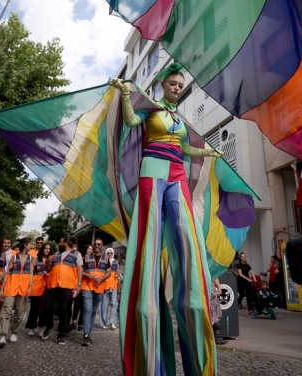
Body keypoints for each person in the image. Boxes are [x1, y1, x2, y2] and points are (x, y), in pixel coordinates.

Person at [110, 63, 224, 376]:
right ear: (163, 84)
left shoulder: (180, 119)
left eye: (180, 85)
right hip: (152, 169)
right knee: (149, 234)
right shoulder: (151, 108)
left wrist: (208, 153)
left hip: (177, 174)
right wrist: (124, 93)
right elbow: (132, 121)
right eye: (172, 83)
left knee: (187, 236)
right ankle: (146, 335)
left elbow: (185, 147)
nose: (176, 88)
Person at [41, 237, 82, 345]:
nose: (59, 243)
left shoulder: (77, 254)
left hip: (67, 286)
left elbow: (80, 270)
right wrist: (48, 263)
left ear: (66, 243)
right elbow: (49, 269)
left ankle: (61, 335)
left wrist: (78, 285)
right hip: (53, 284)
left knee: (64, 311)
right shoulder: (56, 254)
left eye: (61, 241)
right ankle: (49, 326)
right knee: (48, 308)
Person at [0, 239, 33, 348]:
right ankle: (2, 335)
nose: (32, 246)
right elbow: (7, 274)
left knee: (19, 312)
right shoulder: (14, 257)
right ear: (25, 245)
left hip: (23, 288)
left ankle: (14, 332)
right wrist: (2, 289)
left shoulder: (31, 258)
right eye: (30, 244)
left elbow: (31, 273)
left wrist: (30, 287)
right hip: (11, 287)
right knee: (6, 310)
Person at [79, 239, 110, 346]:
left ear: (102, 246)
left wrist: (102, 278)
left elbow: (109, 273)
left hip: (99, 287)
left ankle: (89, 333)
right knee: (87, 309)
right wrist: (88, 275)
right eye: (95, 244)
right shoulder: (86, 257)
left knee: (93, 311)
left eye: (99, 244)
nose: (96, 245)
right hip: (87, 286)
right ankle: (86, 335)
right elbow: (80, 271)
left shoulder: (106, 258)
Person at [26, 241, 51, 336]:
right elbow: (31, 272)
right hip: (36, 286)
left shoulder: (52, 260)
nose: (47, 250)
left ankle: (41, 327)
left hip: (47, 287)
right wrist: (30, 285)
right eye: (45, 248)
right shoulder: (35, 259)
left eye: (49, 248)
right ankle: (31, 327)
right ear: (42, 249)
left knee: (44, 308)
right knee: (34, 307)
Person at [100, 247, 120, 330]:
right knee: (104, 305)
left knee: (114, 304)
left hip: (114, 285)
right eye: (108, 253)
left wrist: (118, 274)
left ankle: (112, 322)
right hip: (105, 285)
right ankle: (103, 322)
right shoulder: (103, 262)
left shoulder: (116, 262)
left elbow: (117, 272)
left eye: (111, 253)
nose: (109, 254)